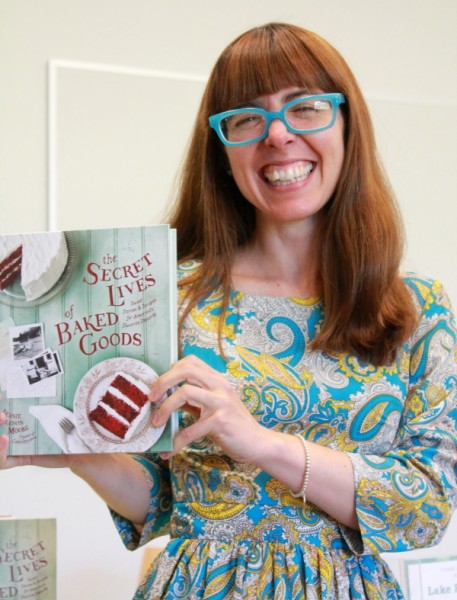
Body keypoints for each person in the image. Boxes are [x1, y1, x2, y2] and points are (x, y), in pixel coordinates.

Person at [1, 22, 457, 599]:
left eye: (306, 108)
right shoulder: (173, 295)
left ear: (347, 124)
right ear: (222, 148)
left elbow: (425, 508)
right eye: (246, 118)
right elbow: (168, 500)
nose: (279, 136)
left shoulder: (417, 309)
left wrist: (262, 441)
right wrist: (71, 449)